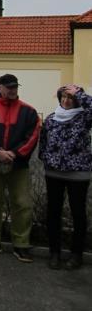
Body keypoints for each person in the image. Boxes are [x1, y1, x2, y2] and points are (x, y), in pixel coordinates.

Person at [0, 73, 40, 262]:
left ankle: (21, 244)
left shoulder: (29, 111)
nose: (12, 90)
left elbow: (33, 135)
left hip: (19, 166)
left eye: (15, 87)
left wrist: (15, 154)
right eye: (9, 87)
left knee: (22, 204)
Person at [39, 84, 92, 270]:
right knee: (53, 212)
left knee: (78, 214)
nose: (66, 100)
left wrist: (81, 94)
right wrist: (45, 158)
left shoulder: (84, 117)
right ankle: (55, 252)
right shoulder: (52, 118)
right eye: (63, 97)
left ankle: (76, 254)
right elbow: (43, 140)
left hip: (78, 173)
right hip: (53, 173)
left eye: (70, 97)